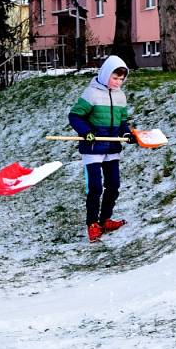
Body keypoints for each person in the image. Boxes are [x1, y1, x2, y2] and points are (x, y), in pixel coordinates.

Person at [68, 55, 135, 243]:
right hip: (93, 148)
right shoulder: (91, 93)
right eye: (115, 78)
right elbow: (75, 116)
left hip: (112, 146)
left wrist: (127, 134)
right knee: (95, 187)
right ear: (106, 74)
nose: (118, 82)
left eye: (122, 79)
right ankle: (92, 224)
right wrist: (86, 131)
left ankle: (105, 220)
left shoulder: (120, 96)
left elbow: (122, 121)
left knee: (113, 185)